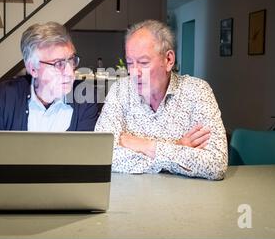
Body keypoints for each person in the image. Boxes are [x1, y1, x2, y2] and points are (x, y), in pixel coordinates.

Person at [95, 20, 227, 180]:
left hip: (186, 198)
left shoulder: (197, 91)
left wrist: (144, 145)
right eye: (130, 63)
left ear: (169, 60)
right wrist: (177, 147)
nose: (134, 72)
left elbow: (216, 164)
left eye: (143, 63)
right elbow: (102, 155)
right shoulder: (119, 91)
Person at [0, 22, 98, 131]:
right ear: (32, 69)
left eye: (71, 60)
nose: (70, 72)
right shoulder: (3, 97)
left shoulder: (85, 99)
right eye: (58, 64)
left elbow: (85, 154)